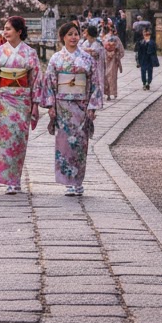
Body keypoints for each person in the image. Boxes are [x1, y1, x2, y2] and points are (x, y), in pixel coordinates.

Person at [0, 15, 43, 194]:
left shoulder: (30, 53)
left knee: (19, 139)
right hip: (4, 100)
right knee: (5, 140)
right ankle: (9, 180)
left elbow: (36, 79)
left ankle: (16, 178)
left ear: (19, 31)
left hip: (23, 100)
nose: (5, 32)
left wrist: (36, 103)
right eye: (4, 29)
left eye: (8, 29)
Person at [41, 21, 103, 196]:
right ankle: (68, 181)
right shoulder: (56, 59)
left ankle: (78, 181)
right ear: (63, 38)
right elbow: (50, 83)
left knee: (80, 144)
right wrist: (50, 105)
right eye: (69, 34)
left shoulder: (87, 58)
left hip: (81, 106)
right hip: (63, 106)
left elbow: (95, 83)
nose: (73, 37)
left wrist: (92, 106)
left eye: (76, 34)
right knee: (64, 144)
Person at [80, 23, 107, 99]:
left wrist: (88, 51)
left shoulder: (98, 43)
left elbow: (96, 53)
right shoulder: (85, 43)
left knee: (98, 80)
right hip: (87, 66)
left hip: (97, 66)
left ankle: (98, 97)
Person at [101, 21, 125, 99]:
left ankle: (107, 93)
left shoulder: (104, 38)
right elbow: (121, 50)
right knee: (113, 76)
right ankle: (113, 92)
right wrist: (117, 55)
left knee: (106, 75)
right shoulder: (116, 38)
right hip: (113, 58)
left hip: (106, 58)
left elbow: (102, 48)